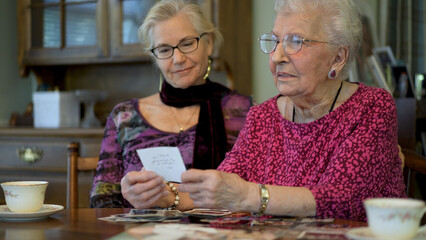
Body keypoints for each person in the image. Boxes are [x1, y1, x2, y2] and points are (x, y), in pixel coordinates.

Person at [177, 0, 407, 221]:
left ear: (338, 57)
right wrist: (169, 195)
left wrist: (249, 196)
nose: (277, 57)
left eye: (296, 41)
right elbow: (223, 187)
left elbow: (343, 201)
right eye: (275, 41)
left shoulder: (371, 107)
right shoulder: (262, 116)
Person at [90, 0, 252, 208]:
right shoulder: (124, 116)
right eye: (164, 49)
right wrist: (126, 194)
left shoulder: (247, 112)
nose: (178, 59)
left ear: (209, 43)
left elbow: (259, 192)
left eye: (187, 44)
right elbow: (101, 202)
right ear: (154, 56)